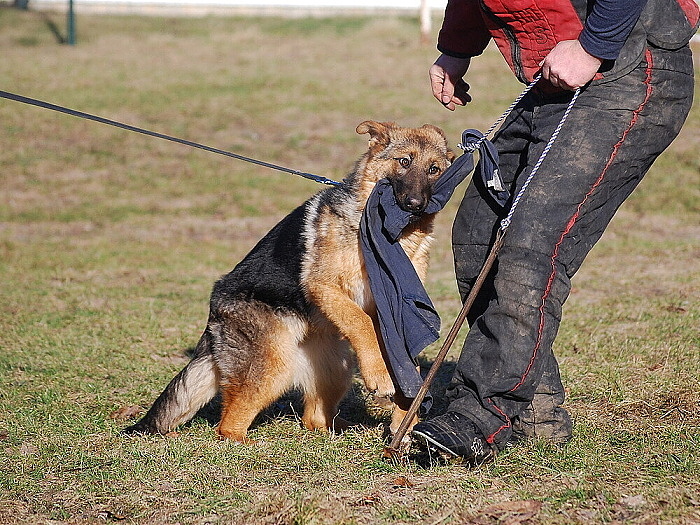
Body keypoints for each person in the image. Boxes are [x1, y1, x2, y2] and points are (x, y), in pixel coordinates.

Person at [411, 0, 698, 464]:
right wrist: (456, 49)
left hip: (627, 71)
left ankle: (484, 413)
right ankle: (534, 414)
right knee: (478, 235)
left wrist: (593, 45)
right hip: (554, 80)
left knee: (530, 244)